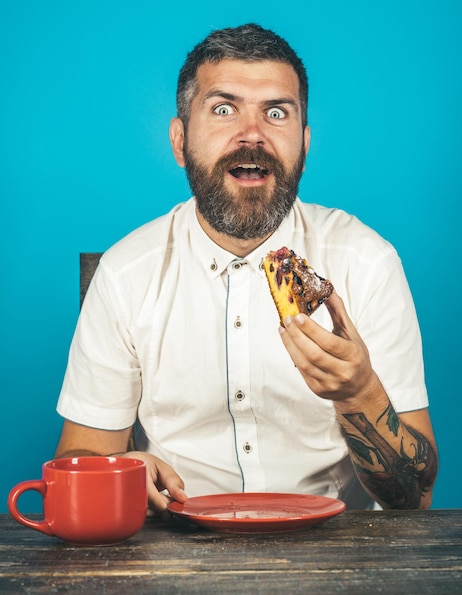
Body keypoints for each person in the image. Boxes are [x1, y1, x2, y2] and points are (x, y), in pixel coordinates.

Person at [55, 23, 438, 512]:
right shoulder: (127, 271)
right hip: (173, 552)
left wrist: (360, 393)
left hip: (335, 557)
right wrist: (125, 469)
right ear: (179, 141)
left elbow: (416, 499)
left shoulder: (366, 261)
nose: (252, 134)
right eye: (223, 109)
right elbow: (81, 456)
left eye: (276, 112)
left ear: (304, 143)